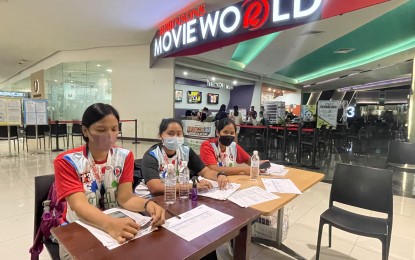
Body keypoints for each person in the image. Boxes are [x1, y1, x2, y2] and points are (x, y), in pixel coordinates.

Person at [54, 103, 165, 258]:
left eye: (114, 129)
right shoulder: (67, 161)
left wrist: (148, 204)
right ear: (86, 131)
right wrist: (109, 224)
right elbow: (80, 206)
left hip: (117, 224)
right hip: (79, 228)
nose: (110, 135)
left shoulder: (125, 156)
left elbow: (125, 198)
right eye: (101, 130)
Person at [141, 118, 229, 196]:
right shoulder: (152, 155)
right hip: (156, 197)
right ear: (161, 136)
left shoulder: (186, 151)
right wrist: (192, 186)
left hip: (179, 195)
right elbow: (155, 188)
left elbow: (205, 171)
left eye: (179, 134)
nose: (175, 137)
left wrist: (219, 175)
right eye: (170, 134)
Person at [200, 118, 267, 175]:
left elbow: (248, 160)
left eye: (232, 133)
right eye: (225, 132)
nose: (229, 135)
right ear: (217, 132)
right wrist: (242, 169)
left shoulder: (233, 146)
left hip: (230, 182)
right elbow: (213, 169)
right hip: (212, 183)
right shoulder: (207, 146)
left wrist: (258, 163)